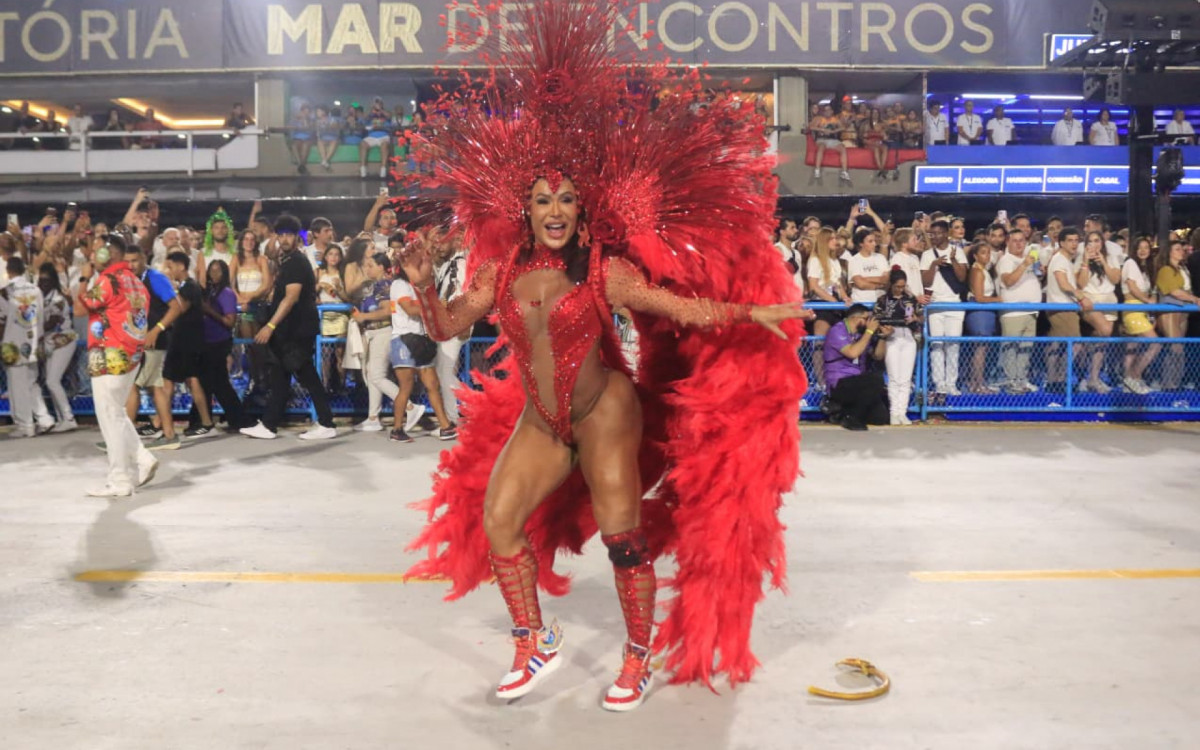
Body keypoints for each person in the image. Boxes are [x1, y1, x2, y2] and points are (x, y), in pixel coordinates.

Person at [240, 214, 336, 440]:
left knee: (307, 375)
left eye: (289, 235)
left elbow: (291, 298)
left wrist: (270, 326)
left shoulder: (296, 262)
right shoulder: (286, 261)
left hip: (297, 329)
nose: (285, 239)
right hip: (290, 329)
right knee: (280, 376)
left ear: (297, 237)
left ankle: (326, 422)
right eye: (281, 234)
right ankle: (269, 424)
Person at [75, 235, 157, 497]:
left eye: (98, 249)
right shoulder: (135, 282)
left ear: (108, 254)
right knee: (116, 413)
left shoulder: (107, 280)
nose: (94, 252)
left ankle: (119, 480)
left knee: (109, 417)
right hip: (131, 355)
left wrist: (83, 277)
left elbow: (79, 307)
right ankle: (143, 458)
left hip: (108, 352)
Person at [387, 257, 458, 443]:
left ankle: (445, 426)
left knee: (432, 384)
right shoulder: (399, 284)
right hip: (403, 339)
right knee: (406, 387)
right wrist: (434, 306)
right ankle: (397, 429)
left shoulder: (416, 286)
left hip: (420, 339)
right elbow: (410, 309)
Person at [126, 243, 185, 450]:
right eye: (127, 261)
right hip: (142, 341)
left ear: (143, 258)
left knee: (132, 386)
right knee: (156, 388)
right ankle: (169, 435)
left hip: (154, 341)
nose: (131, 265)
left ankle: (124, 440)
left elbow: (176, 307)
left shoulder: (156, 278)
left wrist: (156, 329)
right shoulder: (131, 281)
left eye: (134, 260)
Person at [161, 252, 218, 438]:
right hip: (183, 341)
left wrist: (168, 287)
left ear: (181, 266)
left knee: (182, 380)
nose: (168, 271)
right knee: (185, 380)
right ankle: (162, 423)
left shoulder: (189, 287)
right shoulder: (187, 286)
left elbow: (179, 309)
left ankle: (164, 425)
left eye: (170, 267)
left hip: (186, 343)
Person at [1, 257, 54, 437]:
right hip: (33, 342)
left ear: (8, 271)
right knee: (31, 383)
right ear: (23, 270)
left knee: (18, 386)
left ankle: (25, 426)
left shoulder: (5, 292)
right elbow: (42, 315)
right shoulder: (36, 290)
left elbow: (2, 319)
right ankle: (44, 418)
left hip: (13, 344)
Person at [349, 252, 398, 432]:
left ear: (381, 267)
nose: (367, 268)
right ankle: (373, 417)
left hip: (383, 331)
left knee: (377, 375)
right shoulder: (373, 285)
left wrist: (364, 316)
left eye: (371, 265)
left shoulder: (384, 284)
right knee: (372, 375)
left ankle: (409, 406)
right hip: (373, 333)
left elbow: (387, 311)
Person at [921, 219, 968, 396]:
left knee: (953, 345)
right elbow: (925, 281)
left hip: (954, 304)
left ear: (946, 233)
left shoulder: (959, 252)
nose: (935, 237)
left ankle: (951, 383)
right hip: (935, 305)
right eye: (932, 234)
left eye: (939, 233)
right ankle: (939, 383)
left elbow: (962, 277)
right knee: (937, 345)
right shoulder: (927, 255)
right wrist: (934, 264)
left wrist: (954, 261)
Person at [821, 304, 888, 430]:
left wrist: (883, 337)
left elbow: (878, 356)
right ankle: (851, 418)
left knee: (880, 418)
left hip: (858, 382)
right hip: (839, 383)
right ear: (856, 319)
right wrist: (869, 332)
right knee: (876, 379)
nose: (869, 322)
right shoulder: (837, 330)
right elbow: (853, 352)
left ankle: (841, 413)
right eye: (867, 318)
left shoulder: (862, 334)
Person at [197, 259, 244, 429]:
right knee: (209, 383)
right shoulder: (210, 292)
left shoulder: (226, 293)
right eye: (212, 271)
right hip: (207, 342)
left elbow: (229, 322)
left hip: (219, 342)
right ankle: (208, 419)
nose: (214, 274)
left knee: (219, 384)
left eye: (218, 271)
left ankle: (238, 419)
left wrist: (209, 311)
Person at [994, 228, 1042, 394]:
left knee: (1025, 349)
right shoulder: (1006, 260)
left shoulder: (1028, 259)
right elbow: (1008, 281)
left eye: (1022, 240)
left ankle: (1021, 380)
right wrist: (1024, 265)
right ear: (1008, 242)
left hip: (1031, 312)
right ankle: (1009, 381)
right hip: (1013, 312)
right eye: (1014, 240)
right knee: (1011, 348)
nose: (1019, 243)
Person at [1044, 227, 1091, 392]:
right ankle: (1058, 379)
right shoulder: (1059, 260)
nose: (1074, 244)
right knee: (1074, 345)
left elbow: (1077, 282)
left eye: (1076, 240)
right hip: (1061, 307)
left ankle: (1055, 381)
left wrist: (1085, 262)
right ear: (1061, 242)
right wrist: (1081, 297)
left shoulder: (1065, 261)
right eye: (1070, 240)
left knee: (1058, 346)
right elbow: (1063, 283)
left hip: (1064, 307)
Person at [873, 270, 922, 424]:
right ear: (891, 285)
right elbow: (877, 318)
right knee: (894, 377)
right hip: (891, 337)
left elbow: (919, 318)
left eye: (903, 286)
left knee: (906, 378)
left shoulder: (911, 299)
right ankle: (894, 412)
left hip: (907, 336)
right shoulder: (882, 300)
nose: (900, 290)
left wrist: (915, 319)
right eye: (897, 287)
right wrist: (885, 329)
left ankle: (903, 411)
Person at [36, 262, 79, 431]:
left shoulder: (58, 299)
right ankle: (62, 418)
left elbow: (51, 322)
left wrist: (31, 328)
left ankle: (69, 418)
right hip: (50, 343)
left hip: (64, 341)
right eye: (40, 280)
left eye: (46, 281)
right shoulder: (40, 298)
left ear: (53, 282)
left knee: (52, 380)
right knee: (50, 381)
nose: (42, 284)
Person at [806, 227, 850, 390]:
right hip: (822, 306)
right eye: (832, 238)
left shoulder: (835, 261)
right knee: (819, 341)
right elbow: (814, 286)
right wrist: (832, 301)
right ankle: (820, 381)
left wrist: (844, 298)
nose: (836, 241)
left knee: (838, 342)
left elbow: (838, 285)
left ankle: (836, 378)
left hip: (834, 305)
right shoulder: (816, 260)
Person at [1075, 230, 1119, 393]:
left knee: (1102, 341)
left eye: (1097, 241)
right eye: (1091, 241)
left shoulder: (1111, 258)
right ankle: (1086, 377)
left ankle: (1093, 378)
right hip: (1090, 301)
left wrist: (1104, 263)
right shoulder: (1081, 259)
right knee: (1105, 331)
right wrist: (1086, 261)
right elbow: (1081, 284)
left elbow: (1115, 279)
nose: (1094, 245)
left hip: (1110, 302)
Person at [433, 230, 470, 425]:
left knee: (445, 370)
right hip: (448, 321)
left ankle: (455, 417)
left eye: (443, 242)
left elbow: (464, 294)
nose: (439, 245)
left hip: (455, 321)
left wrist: (464, 321)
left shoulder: (461, 264)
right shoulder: (449, 264)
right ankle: (456, 415)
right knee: (443, 370)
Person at [1155, 239, 1200, 390]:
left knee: (1178, 346)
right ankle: (1168, 383)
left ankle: (1174, 382)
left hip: (1182, 311)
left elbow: (1186, 289)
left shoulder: (1183, 269)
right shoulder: (1166, 269)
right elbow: (1174, 291)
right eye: (1177, 249)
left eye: (1182, 249)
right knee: (1175, 347)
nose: (1181, 251)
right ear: (1169, 252)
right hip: (1170, 309)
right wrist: (1194, 299)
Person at [1120, 237, 1160, 394]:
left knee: (1133, 347)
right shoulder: (1130, 263)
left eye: (1146, 247)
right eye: (1140, 248)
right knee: (1155, 343)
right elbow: (1132, 286)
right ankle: (1133, 376)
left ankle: (1129, 382)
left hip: (1141, 311)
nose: (1143, 251)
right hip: (1133, 309)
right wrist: (1147, 300)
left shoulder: (1145, 269)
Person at [964, 242, 1002, 394]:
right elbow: (979, 297)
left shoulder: (984, 270)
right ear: (975, 256)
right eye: (983, 253)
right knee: (980, 347)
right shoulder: (977, 271)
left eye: (988, 252)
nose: (987, 255)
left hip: (986, 311)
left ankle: (977, 382)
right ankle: (977, 384)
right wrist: (999, 299)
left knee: (982, 348)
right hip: (979, 312)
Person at [846, 227, 889, 306]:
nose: (874, 244)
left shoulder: (880, 258)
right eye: (870, 241)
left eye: (874, 241)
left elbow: (886, 280)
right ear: (861, 243)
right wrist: (879, 285)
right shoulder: (854, 260)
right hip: (861, 302)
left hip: (880, 303)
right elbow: (860, 284)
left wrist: (866, 278)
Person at [810, 104, 849, 182]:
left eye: (828, 110)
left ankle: (844, 172)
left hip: (833, 140)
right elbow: (811, 127)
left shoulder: (835, 119)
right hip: (822, 139)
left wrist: (834, 131)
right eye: (825, 110)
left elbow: (843, 127)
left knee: (842, 148)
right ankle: (817, 170)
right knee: (821, 147)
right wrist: (822, 130)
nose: (827, 112)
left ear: (832, 111)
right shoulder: (819, 119)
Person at [360, 97, 394, 180]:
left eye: (379, 103)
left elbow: (389, 115)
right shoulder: (370, 113)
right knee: (363, 144)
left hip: (383, 135)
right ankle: (363, 169)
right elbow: (364, 117)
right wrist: (372, 109)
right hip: (372, 136)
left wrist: (380, 110)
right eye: (376, 103)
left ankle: (383, 170)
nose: (378, 104)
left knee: (384, 145)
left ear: (382, 104)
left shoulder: (386, 112)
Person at [288, 104, 315, 175]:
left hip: (308, 137)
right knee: (294, 145)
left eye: (307, 112)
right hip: (297, 137)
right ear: (301, 111)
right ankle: (301, 165)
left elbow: (308, 129)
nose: (305, 113)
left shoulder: (311, 120)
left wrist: (305, 120)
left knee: (306, 145)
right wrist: (297, 120)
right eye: (304, 112)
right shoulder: (295, 119)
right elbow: (290, 127)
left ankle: (301, 165)